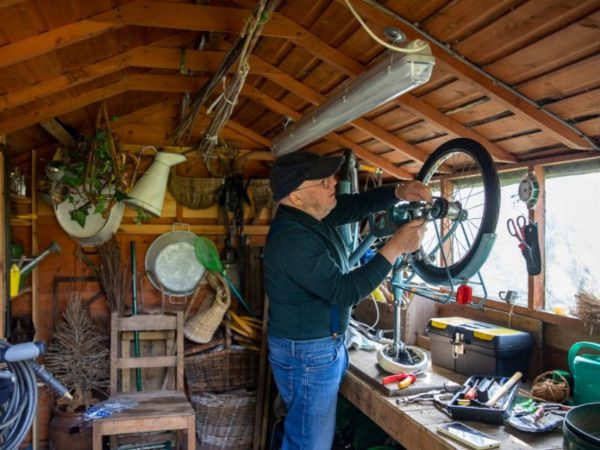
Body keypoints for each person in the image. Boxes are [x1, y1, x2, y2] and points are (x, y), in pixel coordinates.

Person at [263, 150, 432, 450]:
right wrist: (396, 246)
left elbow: (353, 206)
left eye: (331, 177)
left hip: (319, 348)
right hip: (308, 355)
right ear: (297, 197)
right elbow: (344, 292)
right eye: (323, 181)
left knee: (307, 437)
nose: (333, 183)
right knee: (309, 444)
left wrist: (398, 192)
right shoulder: (293, 239)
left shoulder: (312, 214)